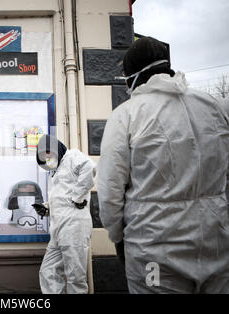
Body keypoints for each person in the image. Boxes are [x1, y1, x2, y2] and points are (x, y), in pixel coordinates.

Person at [97, 36, 229, 293]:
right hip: (216, 245)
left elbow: (110, 191)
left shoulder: (127, 114)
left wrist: (117, 237)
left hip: (155, 250)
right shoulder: (213, 106)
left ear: (133, 74)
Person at [34, 134, 96, 294]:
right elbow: (62, 198)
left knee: (76, 277)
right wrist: (47, 208)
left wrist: (78, 196)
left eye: (49, 155)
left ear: (55, 149)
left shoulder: (72, 157)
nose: (48, 161)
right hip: (58, 230)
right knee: (48, 272)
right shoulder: (57, 169)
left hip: (74, 228)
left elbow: (90, 167)